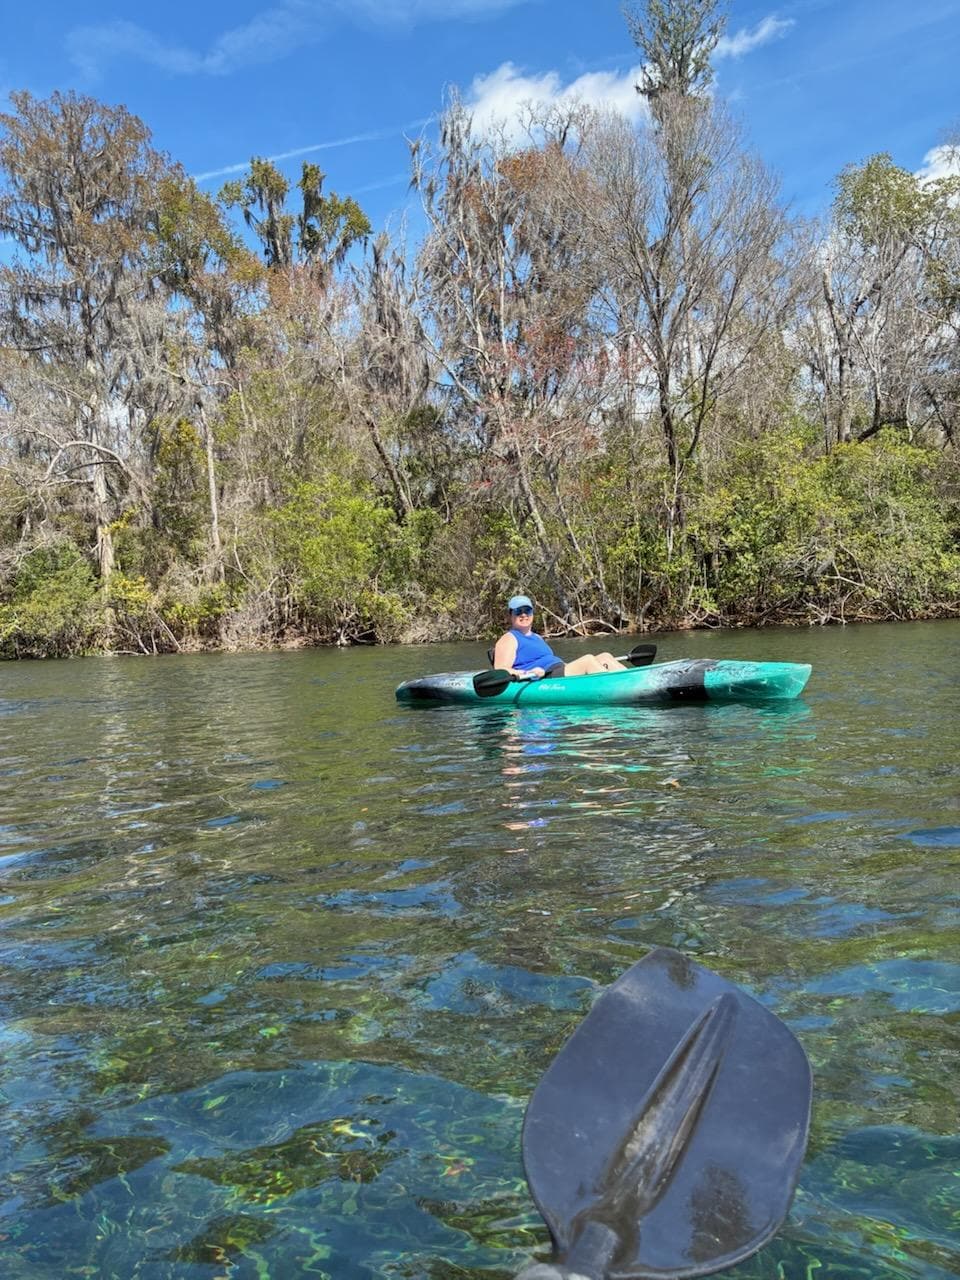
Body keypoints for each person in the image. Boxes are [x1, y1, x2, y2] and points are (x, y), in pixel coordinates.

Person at [492, 595, 628, 680]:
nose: (523, 615)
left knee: (605, 657)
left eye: (527, 611)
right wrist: (528, 672)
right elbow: (501, 670)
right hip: (544, 677)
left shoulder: (537, 637)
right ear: (510, 615)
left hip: (559, 670)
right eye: (518, 611)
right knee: (588, 660)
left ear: (532, 614)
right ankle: (619, 687)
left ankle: (633, 680)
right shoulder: (509, 638)